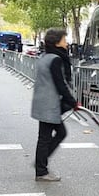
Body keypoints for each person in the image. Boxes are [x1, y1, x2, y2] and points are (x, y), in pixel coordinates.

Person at [31, 28, 78, 182]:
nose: (66, 43)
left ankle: (41, 163)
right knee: (46, 137)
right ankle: (41, 170)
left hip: (43, 102)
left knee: (54, 134)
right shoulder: (56, 59)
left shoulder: (45, 56)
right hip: (49, 103)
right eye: (64, 40)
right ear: (57, 42)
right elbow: (60, 83)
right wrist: (72, 101)